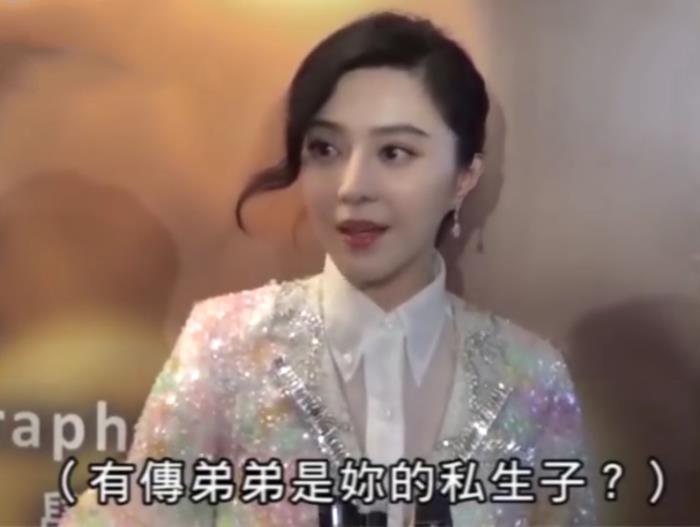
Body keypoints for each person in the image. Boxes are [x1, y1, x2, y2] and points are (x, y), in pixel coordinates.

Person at [59, 10, 596, 527]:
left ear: (463, 178)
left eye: (394, 153)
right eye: (325, 149)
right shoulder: (226, 347)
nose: (351, 187)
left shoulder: (530, 379)